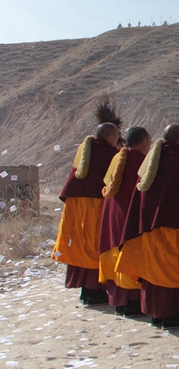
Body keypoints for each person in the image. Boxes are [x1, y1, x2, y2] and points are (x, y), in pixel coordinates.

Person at [117, 124, 179, 329]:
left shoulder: (151, 158)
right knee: (174, 267)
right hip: (176, 223)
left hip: (149, 223)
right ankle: (171, 314)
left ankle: (157, 312)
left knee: (154, 267)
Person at [52, 122, 121, 306]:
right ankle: (94, 291)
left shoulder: (85, 148)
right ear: (109, 138)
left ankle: (85, 290)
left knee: (81, 244)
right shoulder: (110, 153)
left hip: (74, 204)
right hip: (94, 203)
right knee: (95, 245)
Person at [98, 126, 152, 317]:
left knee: (115, 252)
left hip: (113, 213)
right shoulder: (140, 162)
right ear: (144, 142)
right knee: (129, 252)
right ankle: (132, 303)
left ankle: (118, 302)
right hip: (128, 216)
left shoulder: (117, 158)